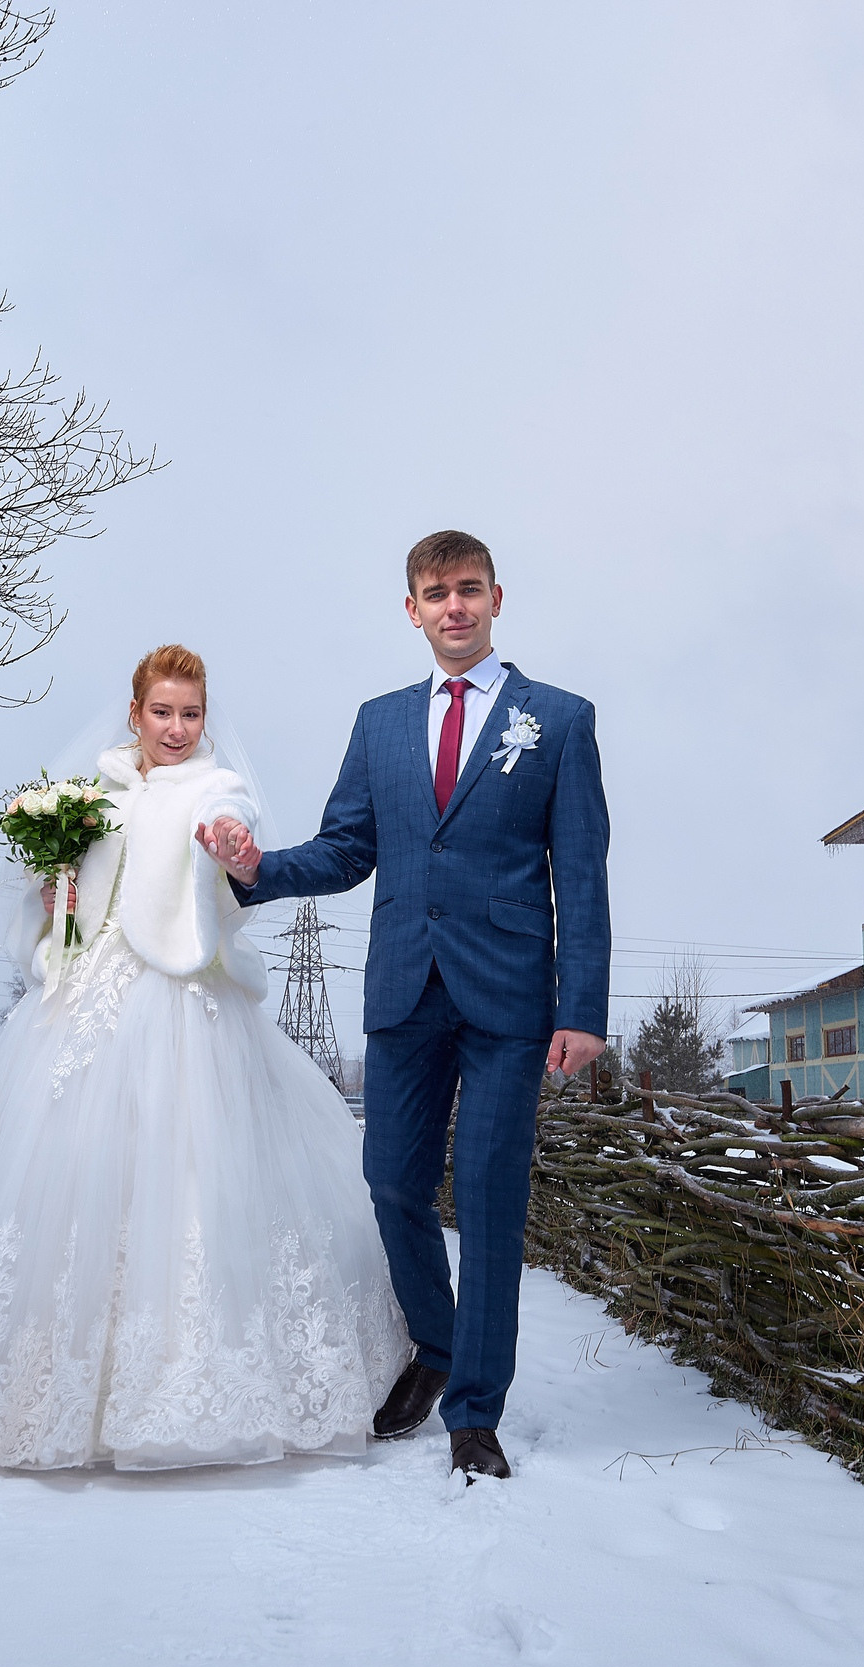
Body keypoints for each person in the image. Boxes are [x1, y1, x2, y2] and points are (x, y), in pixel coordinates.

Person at [0, 645, 408, 1470]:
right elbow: (59, 891)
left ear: (205, 718)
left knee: (193, 1171)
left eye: (190, 713)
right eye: (162, 712)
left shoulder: (215, 787)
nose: (176, 727)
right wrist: (53, 890)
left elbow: (236, 844)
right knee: (63, 1167)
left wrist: (234, 848)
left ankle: (189, 1380)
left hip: (181, 996)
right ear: (136, 713)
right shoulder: (92, 791)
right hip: (87, 989)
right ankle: (40, 1386)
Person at [198, 531, 610, 1481]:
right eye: (436, 593)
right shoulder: (379, 722)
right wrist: (257, 870)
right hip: (403, 989)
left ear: (498, 600)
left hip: (511, 996)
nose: (453, 606)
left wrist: (580, 1006)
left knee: (494, 1201)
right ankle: (435, 1343)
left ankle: (473, 1410)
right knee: (390, 1186)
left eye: (469, 590)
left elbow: (581, 872)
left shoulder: (560, 718)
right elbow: (346, 849)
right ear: (412, 609)